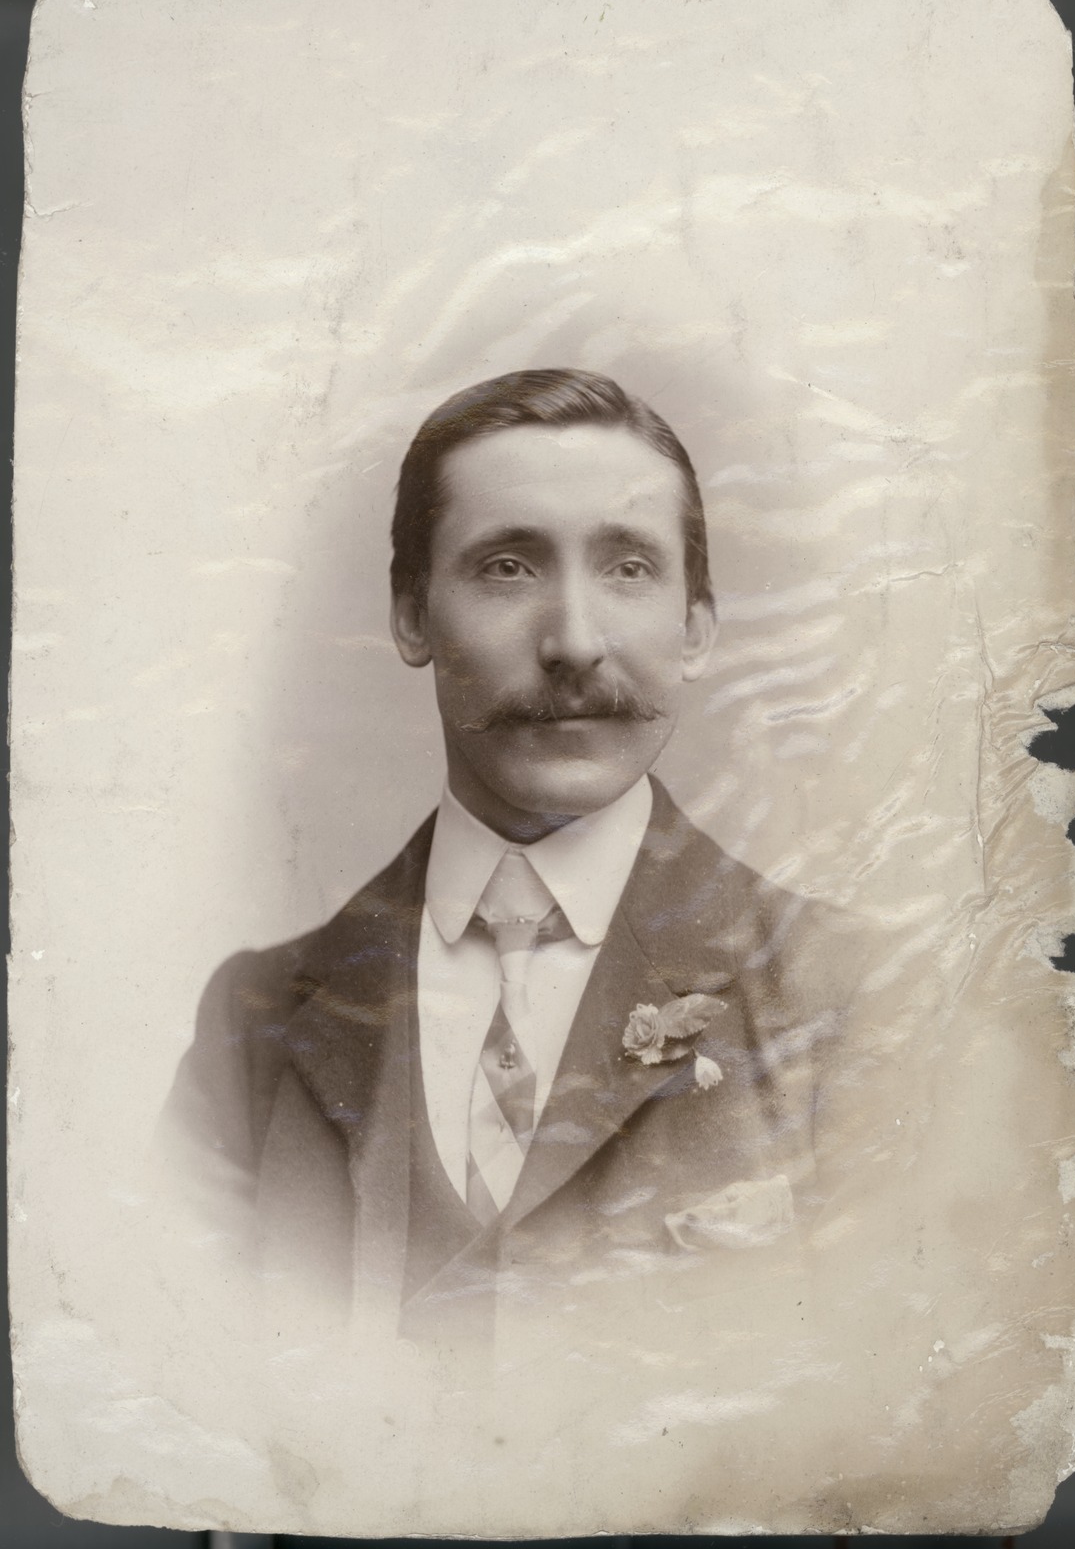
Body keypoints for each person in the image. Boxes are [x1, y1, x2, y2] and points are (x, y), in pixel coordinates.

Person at [164, 368, 865, 1341]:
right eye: (507, 566)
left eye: (629, 568)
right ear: (412, 615)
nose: (574, 641)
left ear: (696, 627)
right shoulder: (255, 1027)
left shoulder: (849, 1000)